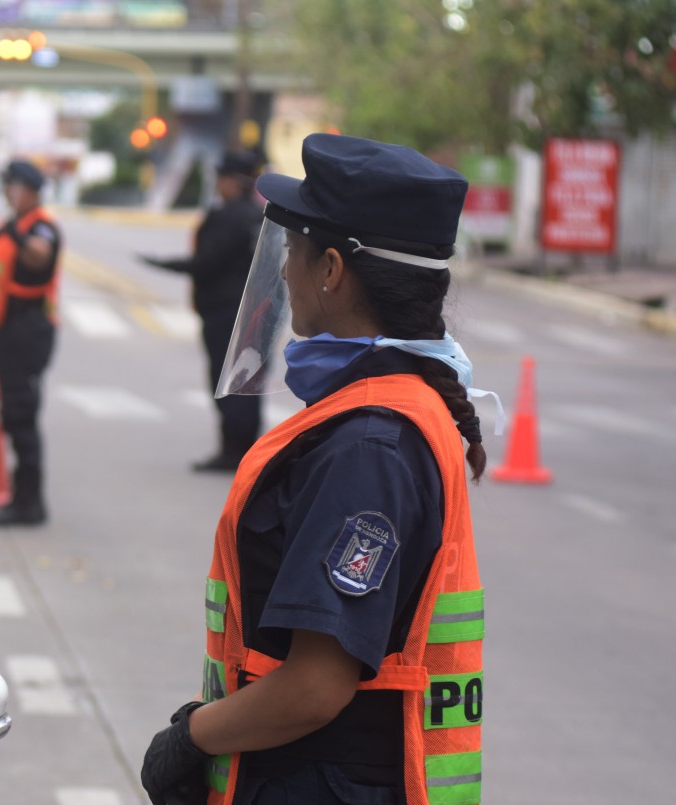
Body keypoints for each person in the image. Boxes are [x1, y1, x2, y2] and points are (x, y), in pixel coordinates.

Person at [140, 134, 492, 805]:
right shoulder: (395, 405)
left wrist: (190, 738)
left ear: (331, 269)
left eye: (292, 252)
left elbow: (315, 687)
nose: (283, 273)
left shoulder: (368, 446)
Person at [140, 150, 267, 472]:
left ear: (233, 181)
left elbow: (207, 262)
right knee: (247, 382)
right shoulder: (260, 216)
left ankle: (233, 452)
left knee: (228, 382)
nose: (217, 184)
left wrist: (165, 264)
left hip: (226, 310)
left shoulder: (228, 216)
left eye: (221, 178)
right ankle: (245, 452)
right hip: (256, 310)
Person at [0, 159, 62, 526]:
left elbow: (39, 256)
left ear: (28, 190)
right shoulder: (15, 224)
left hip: (28, 331)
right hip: (7, 330)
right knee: (13, 415)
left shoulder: (41, 226)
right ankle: (21, 498)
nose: (6, 192)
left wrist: (15, 234)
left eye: (12, 186)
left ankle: (29, 504)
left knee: (22, 416)